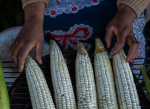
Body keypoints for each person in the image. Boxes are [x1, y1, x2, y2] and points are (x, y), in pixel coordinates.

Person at [9, 0, 150, 81]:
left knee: (126, 64)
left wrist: (128, 10)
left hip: (119, 12)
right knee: (60, 66)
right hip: (54, 13)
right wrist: (34, 17)